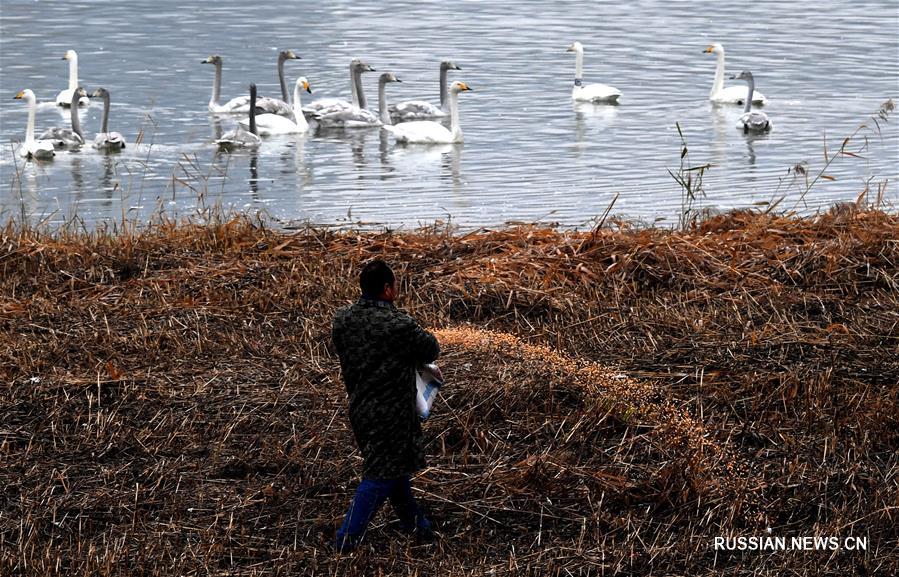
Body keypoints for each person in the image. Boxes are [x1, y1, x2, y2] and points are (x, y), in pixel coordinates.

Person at [331, 259, 441, 552]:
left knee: (393, 469)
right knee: (380, 476)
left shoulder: (343, 320)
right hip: (392, 415)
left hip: (360, 410)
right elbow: (430, 348)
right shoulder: (398, 324)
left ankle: (418, 527)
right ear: (387, 289)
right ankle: (347, 538)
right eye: (395, 285)